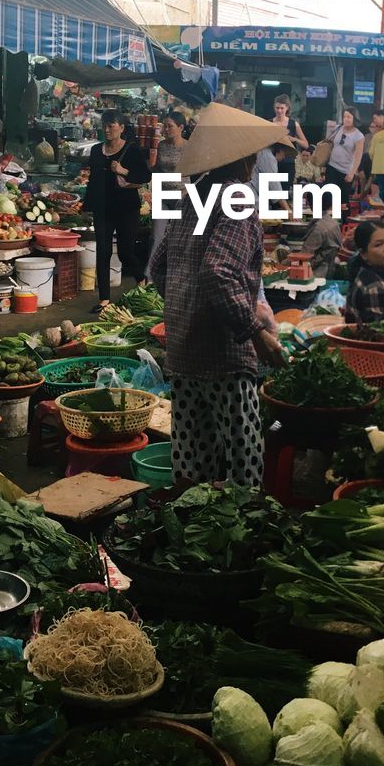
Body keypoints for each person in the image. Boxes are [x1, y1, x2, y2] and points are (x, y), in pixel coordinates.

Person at [149, 102, 286, 486]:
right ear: (244, 161)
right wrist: (253, 330)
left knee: (193, 462)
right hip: (225, 355)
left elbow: (159, 266)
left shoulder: (193, 196)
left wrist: (186, 303)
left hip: (183, 351)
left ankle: (188, 529)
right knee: (243, 466)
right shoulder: (238, 199)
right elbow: (218, 273)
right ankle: (239, 537)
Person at [82, 109, 151, 311]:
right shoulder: (96, 151)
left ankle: (141, 279)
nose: (107, 129)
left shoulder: (131, 150)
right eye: (104, 125)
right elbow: (93, 182)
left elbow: (145, 176)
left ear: (121, 128)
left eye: (111, 125)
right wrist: (87, 207)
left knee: (125, 252)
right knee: (102, 251)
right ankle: (104, 299)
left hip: (127, 209)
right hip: (103, 208)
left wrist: (123, 171)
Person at [147, 111, 187, 271]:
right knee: (157, 236)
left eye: (170, 126)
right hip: (162, 195)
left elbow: (201, 171)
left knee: (181, 236)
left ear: (181, 127)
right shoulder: (161, 146)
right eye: (164, 126)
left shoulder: (189, 147)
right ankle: (149, 276)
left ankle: (177, 271)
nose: (166, 129)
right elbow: (157, 169)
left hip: (182, 197)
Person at [324, 108, 364, 214]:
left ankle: (344, 222)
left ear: (354, 118)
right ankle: (330, 219)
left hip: (346, 170)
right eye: (344, 116)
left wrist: (352, 173)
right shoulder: (338, 128)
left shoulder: (358, 136)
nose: (346, 119)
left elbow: (358, 157)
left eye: (349, 117)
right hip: (332, 166)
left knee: (342, 199)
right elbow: (329, 142)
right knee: (329, 194)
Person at [272, 94, 307, 188]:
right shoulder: (269, 123)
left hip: (288, 163)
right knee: (271, 193)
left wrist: (294, 139)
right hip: (272, 162)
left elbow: (306, 144)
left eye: (282, 108)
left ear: (287, 108)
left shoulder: (293, 124)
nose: (279, 111)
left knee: (285, 191)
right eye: (277, 108)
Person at [301, 215, 343, 280]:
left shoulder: (319, 229)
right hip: (329, 266)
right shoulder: (334, 222)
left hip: (318, 270)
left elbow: (304, 255)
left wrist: (285, 263)